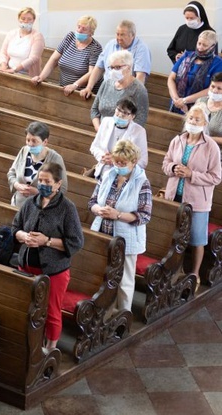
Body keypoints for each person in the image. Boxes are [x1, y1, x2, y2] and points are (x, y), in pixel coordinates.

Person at [12, 162, 84, 352]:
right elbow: (15, 228)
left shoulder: (67, 208)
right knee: (26, 308)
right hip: (26, 266)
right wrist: (24, 236)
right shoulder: (31, 202)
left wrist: (47, 241)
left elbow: (76, 241)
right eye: (40, 180)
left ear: (58, 184)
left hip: (53, 271)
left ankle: (50, 349)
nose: (42, 184)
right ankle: (29, 344)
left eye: (47, 181)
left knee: (51, 311)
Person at [162, 104, 222, 286]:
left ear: (204, 123)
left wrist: (191, 175)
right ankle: (172, 271)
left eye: (197, 119)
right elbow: (166, 162)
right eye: (190, 118)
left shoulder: (211, 146)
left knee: (197, 239)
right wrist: (173, 168)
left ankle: (194, 274)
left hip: (197, 201)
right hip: (175, 196)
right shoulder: (178, 140)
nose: (193, 122)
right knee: (171, 237)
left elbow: (216, 177)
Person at [89, 140, 152, 312]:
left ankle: (124, 315)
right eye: (117, 162)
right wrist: (99, 209)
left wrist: (116, 215)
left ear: (134, 162)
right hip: (103, 232)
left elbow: (144, 216)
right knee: (101, 274)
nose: (119, 165)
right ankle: (103, 310)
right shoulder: (108, 174)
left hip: (127, 237)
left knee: (125, 279)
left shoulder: (141, 182)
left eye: (123, 163)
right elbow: (93, 201)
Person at [31, 15, 102, 96]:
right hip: (64, 88)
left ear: (91, 33)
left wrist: (75, 85)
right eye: (79, 27)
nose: (80, 31)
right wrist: (41, 77)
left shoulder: (95, 48)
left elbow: (92, 72)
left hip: (83, 93)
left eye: (84, 29)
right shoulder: (70, 37)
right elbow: (54, 60)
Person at [80, 20, 152, 99]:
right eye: (117, 34)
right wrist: (89, 87)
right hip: (107, 90)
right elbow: (99, 68)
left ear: (133, 35)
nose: (119, 38)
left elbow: (140, 77)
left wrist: (131, 97)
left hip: (126, 93)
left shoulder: (141, 49)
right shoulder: (111, 44)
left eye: (122, 35)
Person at [7, 122, 68, 208]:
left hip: (40, 208)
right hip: (18, 204)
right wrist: (17, 185)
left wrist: (38, 192)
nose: (30, 144)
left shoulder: (55, 158)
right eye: (28, 140)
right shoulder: (24, 151)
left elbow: (62, 188)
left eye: (34, 141)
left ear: (45, 142)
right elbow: (11, 173)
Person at [90, 99, 149, 180]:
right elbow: (94, 146)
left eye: (125, 113)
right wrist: (102, 157)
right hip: (102, 172)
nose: (120, 115)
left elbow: (143, 161)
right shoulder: (106, 121)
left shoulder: (139, 131)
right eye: (118, 110)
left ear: (132, 116)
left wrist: (119, 162)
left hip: (123, 177)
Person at [90, 50, 149, 129]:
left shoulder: (139, 89)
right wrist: (99, 129)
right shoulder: (106, 83)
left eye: (117, 67)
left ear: (128, 67)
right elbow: (94, 110)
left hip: (124, 135)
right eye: (111, 67)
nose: (114, 71)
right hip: (102, 131)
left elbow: (140, 120)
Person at [168, 30, 222, 114]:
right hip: (176, 103)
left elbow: (211, 88)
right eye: (199, 43)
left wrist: (185, 100)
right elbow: (171, 78)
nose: (200, 47)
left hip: (199, 107)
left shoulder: (218, 63)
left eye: (205, 45)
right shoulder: (186, 56)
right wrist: (176, 99)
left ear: (212, 46)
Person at [0, 7, 45, 77]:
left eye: (29, 19)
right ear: (19, 19)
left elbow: (33, 58)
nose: (26, 21)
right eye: (23, 18)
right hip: (8, 70)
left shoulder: (37, 36)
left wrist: (15, 70)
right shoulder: (12, 33)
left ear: (33, 20)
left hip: (27, 75)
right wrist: (3, 66)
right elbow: (3, 52)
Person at [194, 72, 222, 144]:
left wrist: (207, 139)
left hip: (217, 150)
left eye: (219, 88)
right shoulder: (200, 101)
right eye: (212, 86)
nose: (214, 91)